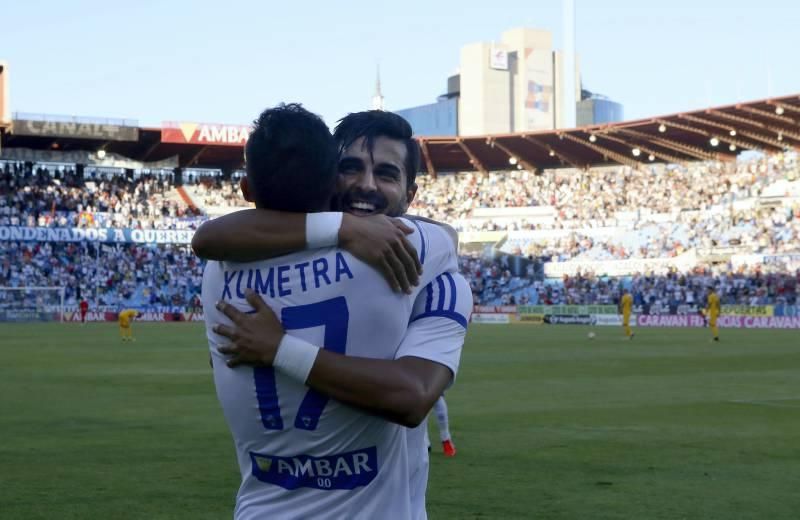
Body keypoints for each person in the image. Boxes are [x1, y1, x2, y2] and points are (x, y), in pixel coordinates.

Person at [194, 110, 472, 518]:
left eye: (387, 174)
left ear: (410, 194)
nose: (366, 184)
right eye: (351, 168)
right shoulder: (422, 254)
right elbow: (449, 236)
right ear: (328, 178)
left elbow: (208, 237)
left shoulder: (220, 271)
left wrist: (279, 348)